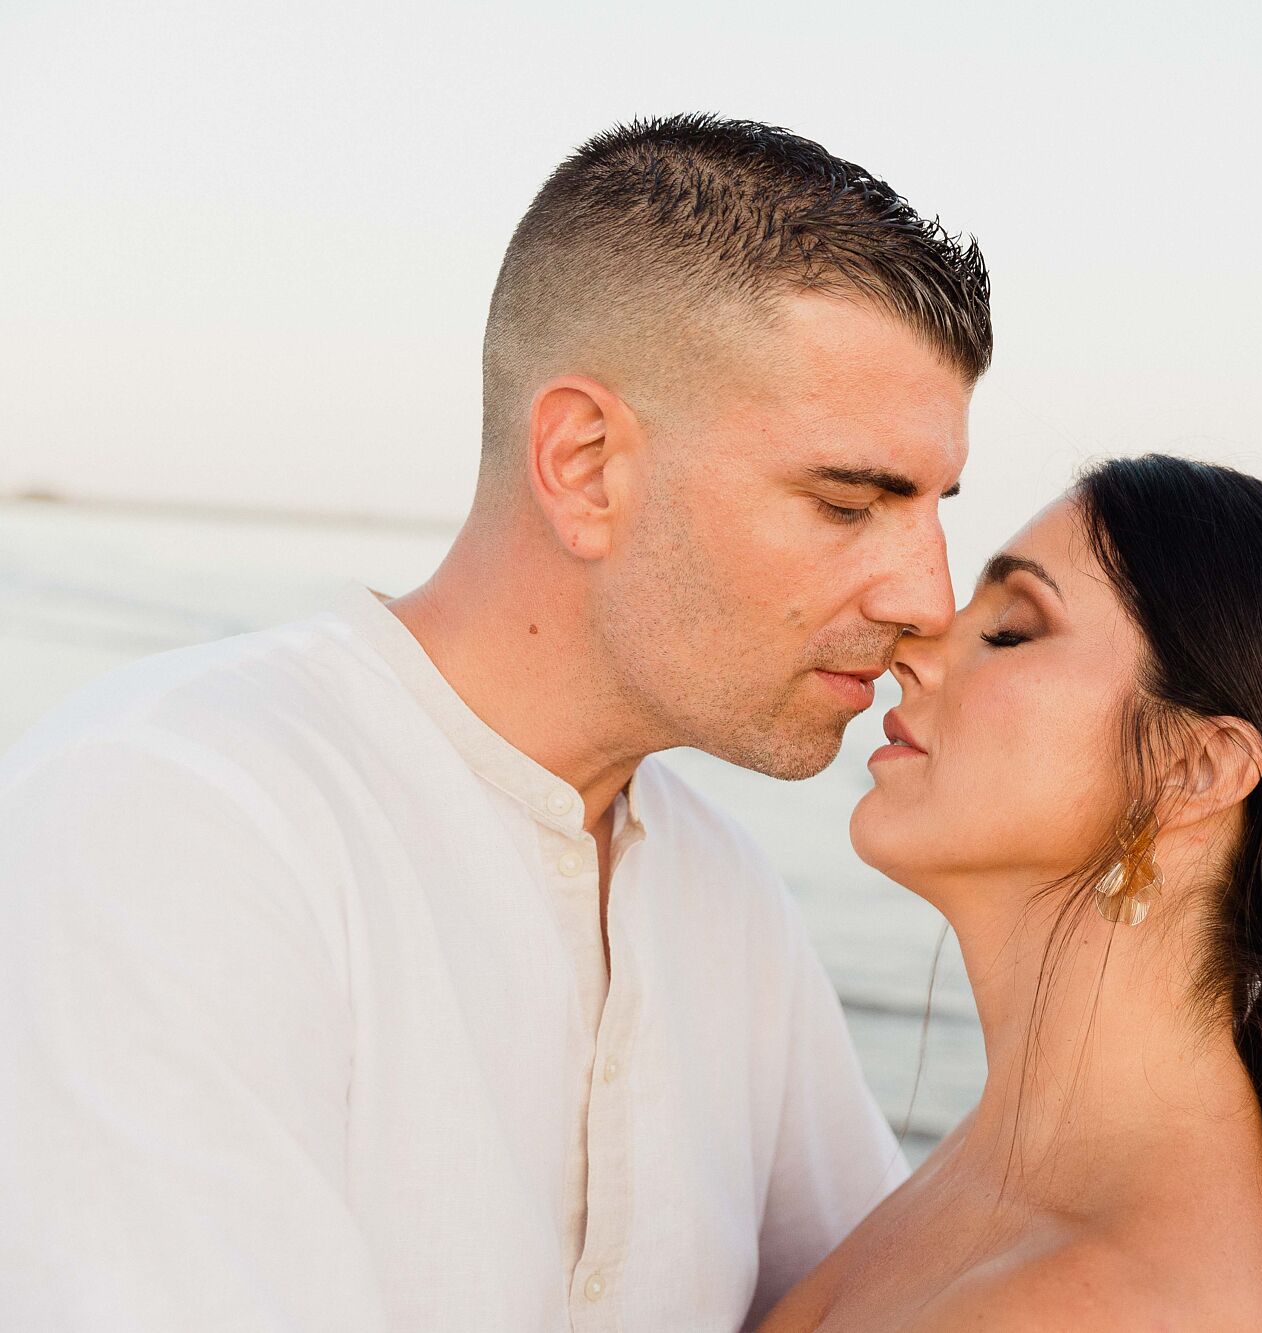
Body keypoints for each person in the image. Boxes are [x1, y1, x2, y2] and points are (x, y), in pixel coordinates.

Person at [0, 114, 990, 1331]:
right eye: (849, 503)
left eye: (935, 507)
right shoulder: (172, 821)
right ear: (583, 464)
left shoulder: (727, 900)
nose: (928, 600)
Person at [758, 455, 1262, 1333]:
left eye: (1012, 629)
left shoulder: (1100, 1301)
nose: (910, 648)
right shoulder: (1004, 1167)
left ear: (1192, 769)